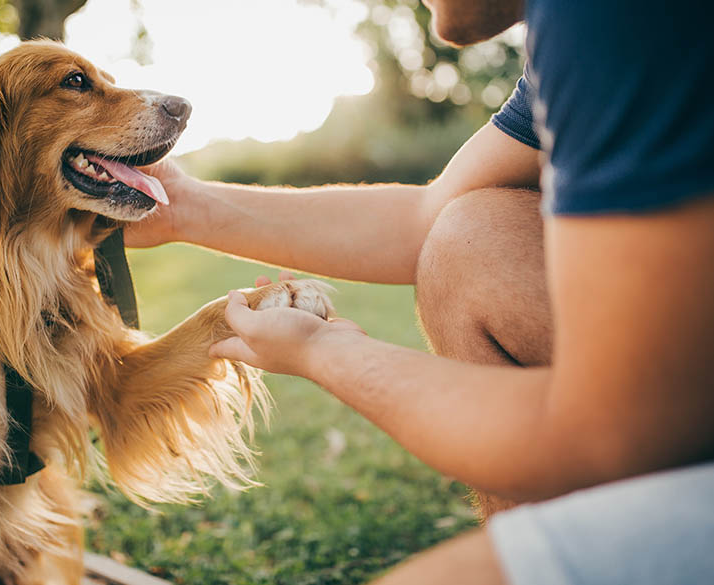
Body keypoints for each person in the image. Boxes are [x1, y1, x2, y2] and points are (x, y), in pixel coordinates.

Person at [127, 0, 714, 583]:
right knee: (472, 238)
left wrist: (322, 350)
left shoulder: (615, 17)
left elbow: (603, 434)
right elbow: (427, 218)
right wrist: (183, 208)